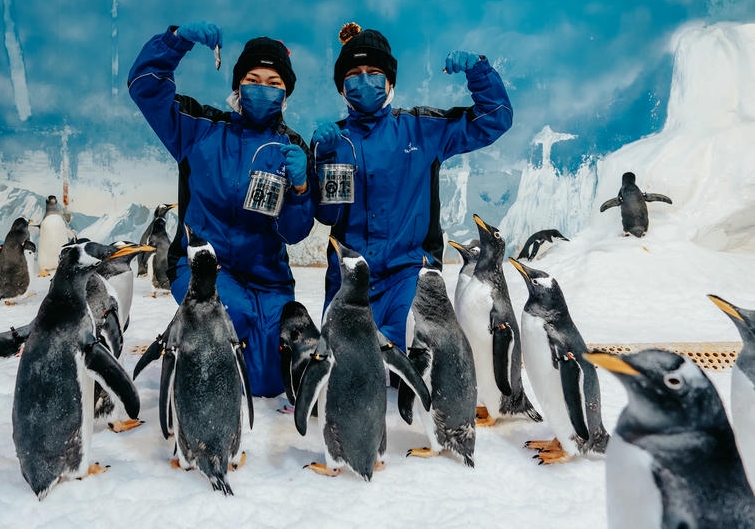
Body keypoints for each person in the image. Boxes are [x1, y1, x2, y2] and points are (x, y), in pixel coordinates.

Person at [127, 21, 315, 397]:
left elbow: (294, 232)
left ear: (285, 93)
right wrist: (175, 41)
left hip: (267, 277)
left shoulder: (291, 147)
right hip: (204, 269)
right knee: (232, 330)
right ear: (238, 85)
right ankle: (190, 338)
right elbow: (145, 86)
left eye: (274, 82)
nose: (262, 87)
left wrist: (300, 187)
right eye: (253, 78)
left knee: (268, 381)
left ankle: (202, 335)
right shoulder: (200, 128)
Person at [311, 22, 513, 349]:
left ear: (390, 81)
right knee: (344, 375)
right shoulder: (335, 141)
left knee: (414, 365)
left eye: (374, 72)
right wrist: (323, 160)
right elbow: (327, 214)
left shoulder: (421, 129)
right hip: (348, 282)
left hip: (410, 278)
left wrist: (479, 71)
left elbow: (495, 119)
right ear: (342, 87)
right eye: (354, 73)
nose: (365, 80)